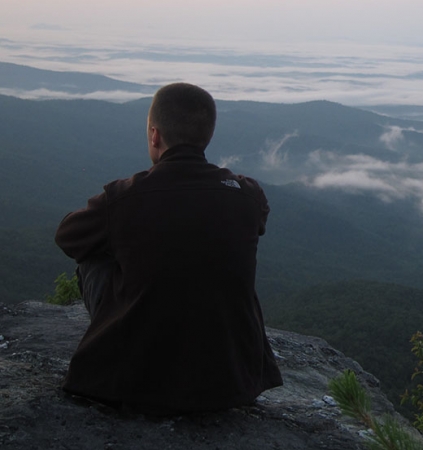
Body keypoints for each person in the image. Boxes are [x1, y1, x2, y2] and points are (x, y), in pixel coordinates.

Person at [55, 83, 283, 413]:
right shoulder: (248, 195)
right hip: (232, 382)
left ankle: (123, 339)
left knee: (94, 256)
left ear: (154, 135)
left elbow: (68, 236)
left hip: (131, 383)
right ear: (208, 136)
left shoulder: (124, 198)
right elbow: (257, 221)